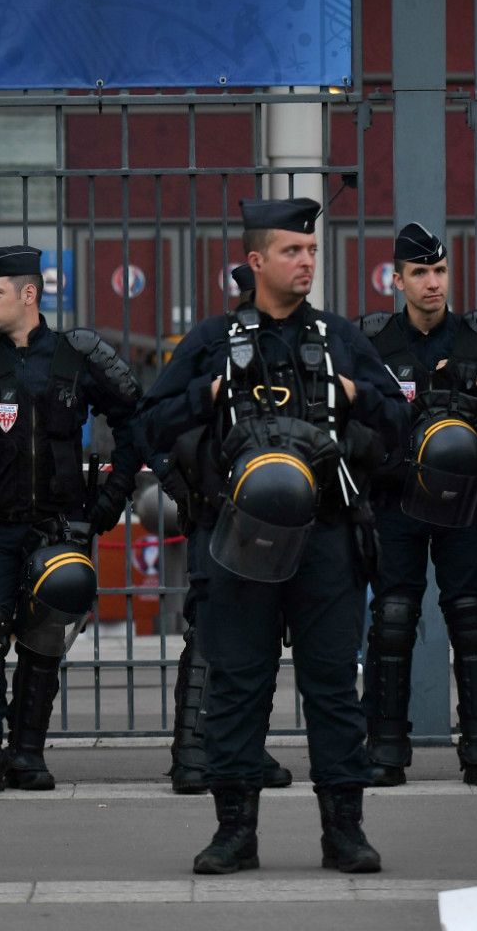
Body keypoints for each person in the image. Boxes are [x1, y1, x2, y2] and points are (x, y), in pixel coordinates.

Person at [138, 197, 406, 875]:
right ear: (256, 261)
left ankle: (344, 831)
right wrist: (207, 395)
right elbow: (149, 424)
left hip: (326, 540)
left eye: (311, 251)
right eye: (292, 251)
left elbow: (399, 424)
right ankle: (235, 833)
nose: (306, 261)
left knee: (331, 689)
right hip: (239, 543)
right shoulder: (210, 339)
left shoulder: (340, 337)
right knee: (236, 687)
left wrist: (351, 393)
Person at [0, 245, 144, 795]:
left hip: (59, 526)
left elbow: (137, 420)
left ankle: (27, 754)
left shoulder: (76, 355)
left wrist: (111, 501)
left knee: (43, 642)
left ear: (29, 295)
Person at [356, 223, 477, 787]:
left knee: (471, 623)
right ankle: (385, 747)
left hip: (467, 506)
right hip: (397, 501)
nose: (432, 283)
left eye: (439, 271)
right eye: (420, 273)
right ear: (398, 279)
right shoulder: (375, 342)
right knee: (391, 620)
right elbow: (349, 419)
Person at [164, 263, 293, 795]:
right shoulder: (214, 344)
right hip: (224, 511)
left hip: (262, 512)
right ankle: (196, 754)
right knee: (219, 633)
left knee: (254, 634)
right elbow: (159, 419)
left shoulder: (287, 343)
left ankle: (235, 748)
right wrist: (187, 485)